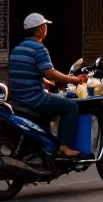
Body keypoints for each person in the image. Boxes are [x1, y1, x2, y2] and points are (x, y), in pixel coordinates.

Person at [8, 14, 87, 158]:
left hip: (18, 99)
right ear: (39, 30)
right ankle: (64, 147)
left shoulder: (17, 49)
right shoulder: (39, 49)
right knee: (70, 107)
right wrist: (73, 80)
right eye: (44, 26)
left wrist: (45, 82)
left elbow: (23, 72)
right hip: (34, 98)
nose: (46, 28)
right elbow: (50, 73)